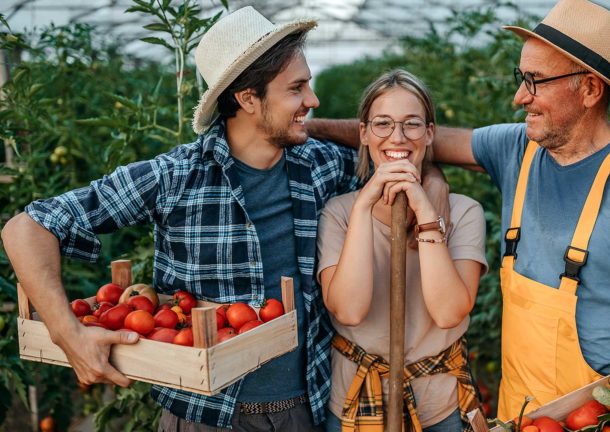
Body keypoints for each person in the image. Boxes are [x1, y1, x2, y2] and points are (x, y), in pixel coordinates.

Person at [307, 0, 610, 430]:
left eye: (535, 82)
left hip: (605, 415)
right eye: (521, 78)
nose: (519, 97)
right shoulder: (519, 148)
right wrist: (304, 127)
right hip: (519, 414)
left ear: (591, 90)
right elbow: (415, 140)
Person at [3, 7, 365, 431]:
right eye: (297, 88)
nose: (312, 100)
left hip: (305, 405)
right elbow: (28, 226)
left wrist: (464, 148)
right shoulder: (177, 176)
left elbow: (401, 139)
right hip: (203, 416)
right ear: (248, 98)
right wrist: (69, 334)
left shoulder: (319, 164)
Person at [317, 69, 487, 432]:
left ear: (429, 133)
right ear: (363, 133)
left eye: (412, 124)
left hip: (439, 405)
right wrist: (365, 206)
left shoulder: (463, 211)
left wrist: (426, 214)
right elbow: (349, 309)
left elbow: (447, 312)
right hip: (356, 401)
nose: (397, 136)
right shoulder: (339, 212)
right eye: (382, 124)